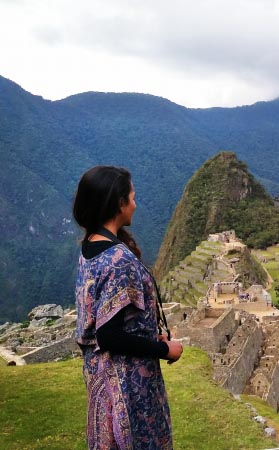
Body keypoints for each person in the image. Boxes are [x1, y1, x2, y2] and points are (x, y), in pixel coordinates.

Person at [73, 166, 183, 450]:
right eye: (132, 197)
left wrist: (147, 334)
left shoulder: (90, 247)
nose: (135, 203)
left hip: (100, 376)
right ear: (119, 203)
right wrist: (164, 349)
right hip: (127, 384)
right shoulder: (118, 260)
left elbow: (115, 319)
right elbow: (110, 336)